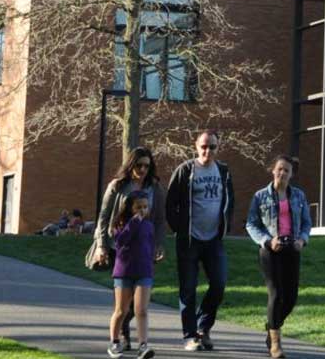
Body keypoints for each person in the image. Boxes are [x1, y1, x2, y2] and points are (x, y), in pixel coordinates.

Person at [166, 130, 234, 351]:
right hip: (190, 240)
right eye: (204, 146)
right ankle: (190, 335)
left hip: (214, 240)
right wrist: (181, 230)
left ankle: (204, 328)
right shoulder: (185, 170)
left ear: (218, 147)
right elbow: (170, 204)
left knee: (219, 284)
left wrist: (224, 226)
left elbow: (229, 201)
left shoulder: (223, 171)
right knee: (188, 288)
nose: (208, 151)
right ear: (196, 146)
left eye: (212, 147)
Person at [94, 147, 167, 351]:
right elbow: (104, 217)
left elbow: (160, 219)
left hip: (144, 248)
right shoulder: (117, 186)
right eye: (138, 165)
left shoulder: (155, 188)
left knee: (139, 304)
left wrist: (158, 244)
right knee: (123, 304)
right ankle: (121, 338)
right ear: (131, 165)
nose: (142, 169)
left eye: (146, 165)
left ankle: (138, 341)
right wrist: (101, 246)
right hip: (120, 248)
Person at [246, 154, 312, 359]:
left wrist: (302, 239)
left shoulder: (299, 196)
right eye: (280, 169)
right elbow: (251, 224)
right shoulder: (260, 196)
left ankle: (271, 326)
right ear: (273, 170)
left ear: (291, 174)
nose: (282, 173)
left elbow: (307, 223)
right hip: (270, 250)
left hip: (292, 249)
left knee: (291, 298)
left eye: (287, 170)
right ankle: (275, 344)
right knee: (276, 294)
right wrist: (267, 240)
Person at [108, 190, 157, 359]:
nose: (142, 210)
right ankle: (114, 343)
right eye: (138, 207)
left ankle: (143, 345)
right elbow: (120, 242)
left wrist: (153, 259)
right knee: (121, 310)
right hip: (124, 272)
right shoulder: (121, 224)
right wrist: (133, 223)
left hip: (144, 272)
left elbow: (149, 246)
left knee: (141, 310)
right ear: (130, 208)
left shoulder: (149, 225)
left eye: (145, 207)